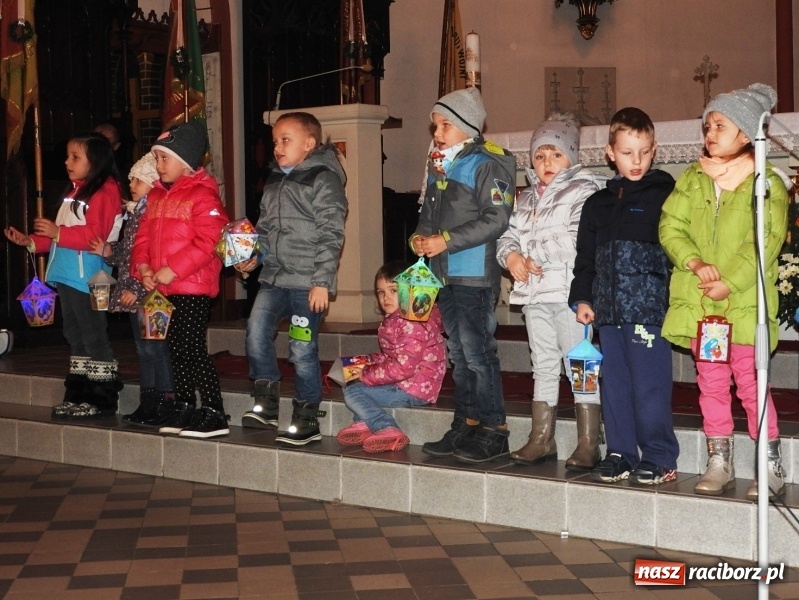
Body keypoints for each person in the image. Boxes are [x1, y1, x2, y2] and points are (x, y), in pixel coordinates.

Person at [659, 83, 790, 499]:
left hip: (744, 306)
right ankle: (720, 462)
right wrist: (695, 264)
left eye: (720, 125)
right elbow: (670, 226)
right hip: (706, 311)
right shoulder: (694, 178)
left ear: (747, 133)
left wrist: (728, 284)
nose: (710, 133)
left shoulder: (766, 182)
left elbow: (764, 241)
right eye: (707, 126)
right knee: (712, 385)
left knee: (752, 386)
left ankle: (769, 465)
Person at [569, 107, 680, 484]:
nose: (637, 160)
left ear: (655, 150)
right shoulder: (596, 204)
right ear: (610, 152)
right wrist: (583, 298)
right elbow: (585, 259)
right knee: (613, 384)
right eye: (628, 152)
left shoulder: (665, 194)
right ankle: (620, 451)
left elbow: (676, 250)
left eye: (645, 151)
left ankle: (660, 455)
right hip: (609, 312)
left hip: (647, 310)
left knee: (649, 386)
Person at [410, 87, 516, 464]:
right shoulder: (439, 161)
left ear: (470, 127)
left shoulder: (490, 162)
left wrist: (446, 240)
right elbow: (429, 213)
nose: (437, 132)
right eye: (435, 125)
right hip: (443, 273)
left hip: (472, 272)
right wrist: (420, 240)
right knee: (458, 351)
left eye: (446, 125)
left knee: (477, 352)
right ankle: (466, 421)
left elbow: (496, 218)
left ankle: (494, 428)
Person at [496, 113, 606, 470]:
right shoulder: (525, 198)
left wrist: (532, 254)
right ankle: (541, 438)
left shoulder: (584, 190)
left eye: (555, 155)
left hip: (571, 295)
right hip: (534, 295)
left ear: (572, 158)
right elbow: (507, 235)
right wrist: (511, 256)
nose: (546, 163)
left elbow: (577, 238)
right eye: (540, 155)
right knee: (542, 365)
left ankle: (589, 442)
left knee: (581, 364)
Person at [238, 111, 347, 446]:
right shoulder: (274, 181)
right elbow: (267, 231)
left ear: (309, 144)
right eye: (275, 141)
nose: (277, 147)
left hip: (306, 283)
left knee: (301, 347)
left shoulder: (323, 179)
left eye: (286, 140)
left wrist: (322, 281)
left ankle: (306, 414)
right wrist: (252, 260)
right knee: (256, 332)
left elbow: (332, 233)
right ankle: (267, 401)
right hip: (273, 279)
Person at [4, 132, 124, 418]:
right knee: (74, 333)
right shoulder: (74, 193)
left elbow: (95, 236)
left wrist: (57, 232)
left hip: (89, 277)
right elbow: (60, 238)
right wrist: (31, 241)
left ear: (95, 161)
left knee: (93, 333)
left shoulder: (105, 191)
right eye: (68, 156)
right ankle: (78, 394)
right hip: (68, 276)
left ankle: (103, 398)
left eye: (75, 157)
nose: (67, 161)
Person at [130, 120, 230, 438]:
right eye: (156, 158)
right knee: (174, 348)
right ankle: (186, 404)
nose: (158, 165)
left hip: (191, 285)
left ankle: (214, 410)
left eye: (165, 158)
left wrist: (173, 269)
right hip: (163, 288)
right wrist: (143, 269)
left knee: (191, 347)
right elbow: (142, 240)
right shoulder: (157, 197)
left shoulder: (203, 196)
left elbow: (209, 240)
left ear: (186, 162)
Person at [88, 153, 175, 426]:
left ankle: (166, 400)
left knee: (156, 348)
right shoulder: (134, 213)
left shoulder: (150, 213)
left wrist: (137, 288)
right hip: (132, 289)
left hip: (148, 291)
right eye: (132, 179)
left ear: (154, 182)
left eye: (139, 180)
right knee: (143, 349)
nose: (133, 184)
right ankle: (148, 400)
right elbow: (128, 253)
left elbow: (151, 254)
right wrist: (109, 253)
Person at [335, 261, 447, 452]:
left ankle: (385, 427)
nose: (386, 297)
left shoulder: (412, 323)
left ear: (411, 291)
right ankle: (363, 423)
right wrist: (366, 361)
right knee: (355, 380)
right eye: (381, 292)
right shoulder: (397, 319)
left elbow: (404, 367)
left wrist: (367, 374)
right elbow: (394, 356)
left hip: (413, 389)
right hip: (408, 383)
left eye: (393, 290)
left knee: (353, 391)